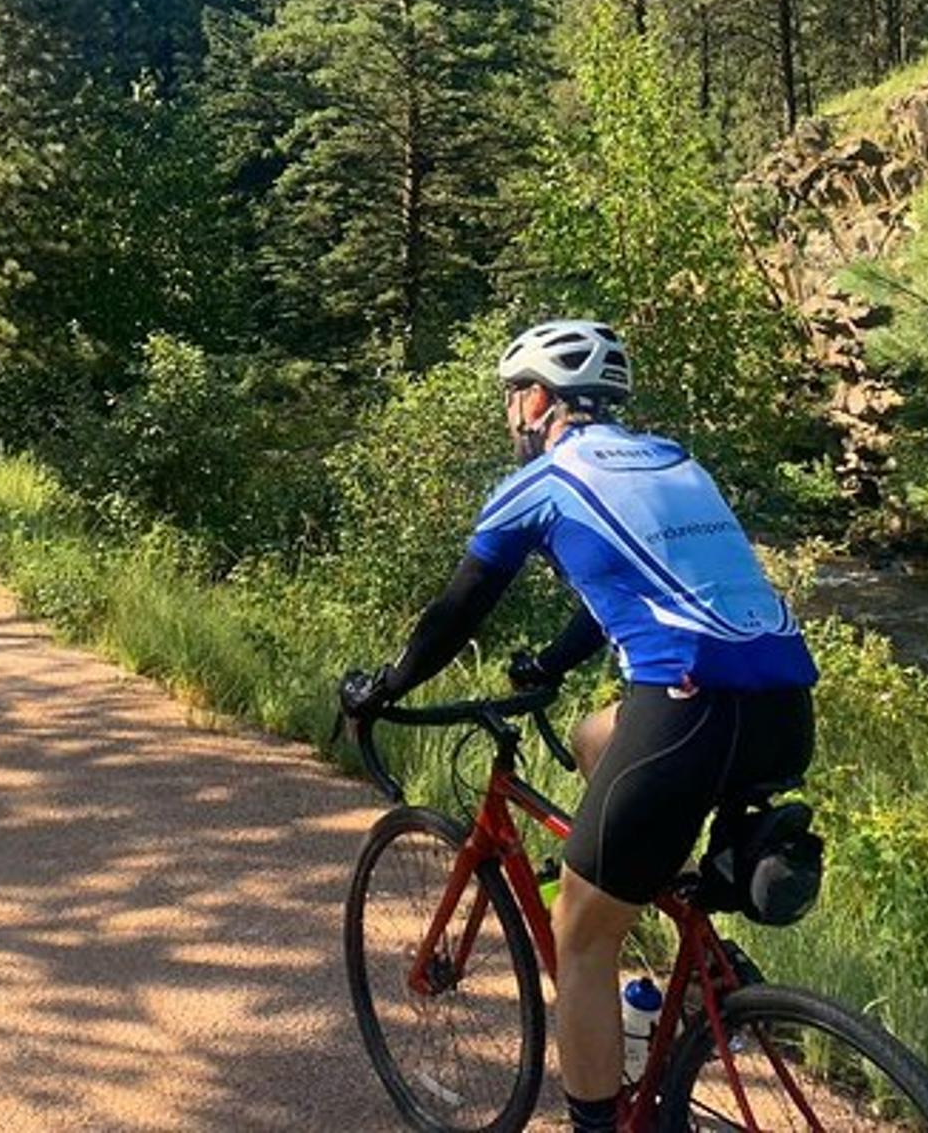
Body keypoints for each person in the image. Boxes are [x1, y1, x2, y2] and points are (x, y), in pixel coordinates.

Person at [339, 318, 817, 1133]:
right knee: (600, 738)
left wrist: (381, 688)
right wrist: (554, 664)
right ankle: (691, 947)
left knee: (578, 939)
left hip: (684, 713)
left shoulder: (542, 481)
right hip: (783, 709)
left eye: (507, 400)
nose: (508, 417)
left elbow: (457, 610)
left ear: (535, 401)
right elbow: (637, 584)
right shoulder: (675, 460)